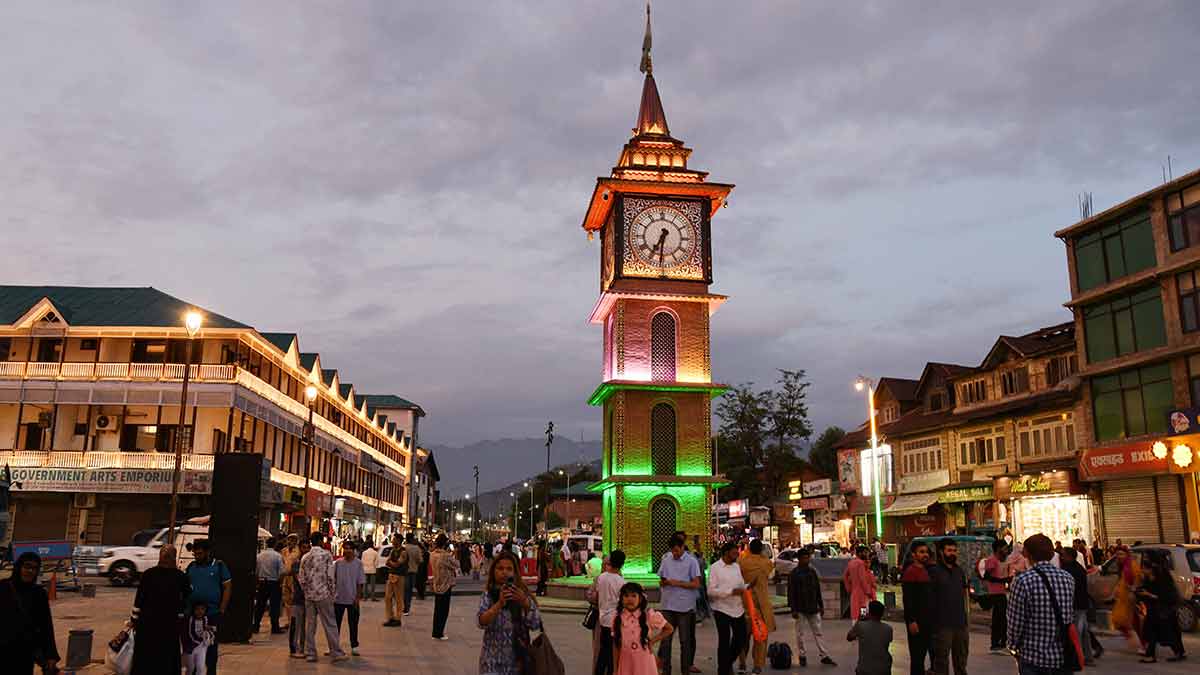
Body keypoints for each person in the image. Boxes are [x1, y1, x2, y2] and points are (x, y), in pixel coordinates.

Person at [1006, 534, 1076, 674]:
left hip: (1033, 658)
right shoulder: (1068, 579)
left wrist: (1012, 646)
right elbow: (1068, 616)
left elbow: (1015, 622)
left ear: (1027, 554)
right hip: (1061, 658)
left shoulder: (1023, 581)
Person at [477, 551, 543, 675]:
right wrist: (499, 604)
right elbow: (481, 622)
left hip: (517, 663)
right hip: (491, 662)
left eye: (509, 569)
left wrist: (525, 602)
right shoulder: (488, 594)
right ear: (493, 571)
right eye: (500, 568)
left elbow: (535, 624)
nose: (504, 572)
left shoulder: (522, 594)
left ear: (515, 572)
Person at [131, 544, 191, 675]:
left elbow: (139, 600)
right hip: (169, 625)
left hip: (147, 624)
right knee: (167, 658)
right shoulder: (180, 577)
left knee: (145, 657)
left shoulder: (148, 575)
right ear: (174, 558)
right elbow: (187, 600)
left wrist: (134, 620)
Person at [1, 551, 60, 675]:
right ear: (18, 567)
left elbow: (46, 626)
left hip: (24, 655)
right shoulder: (3, 588)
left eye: (34, 568)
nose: (30, 571)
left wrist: (50, 655)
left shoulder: (39, 594)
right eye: (27, 566)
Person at [185, 539, 231, 675]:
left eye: (199, 554)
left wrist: (222, 608)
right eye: (195, 554)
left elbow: (227, 587)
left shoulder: (219, 566)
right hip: (193, 615)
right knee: (193, 646)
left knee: (211, 647)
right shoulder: (191, 567)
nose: (196, 556)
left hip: (212, 614)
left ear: (207, 552)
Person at [299, 532, 347, 662]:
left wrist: (307, 591)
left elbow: (301, 578)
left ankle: (311, 653)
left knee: (310, 625)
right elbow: (330, 576)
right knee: (330, 624)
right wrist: (332, 592)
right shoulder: (326, 555)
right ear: (320, 541)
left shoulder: (305, 557)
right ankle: (336, 652)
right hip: (323, 594)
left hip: (309, 595)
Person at [658, 535, 702, 675]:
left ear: (683, 547)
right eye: (673, 551)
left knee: (685, 641)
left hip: (685, 606)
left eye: (677, 550)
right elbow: (661, 580)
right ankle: (666, 670)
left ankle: (685, 670)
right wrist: (664, 582)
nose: (675, 554)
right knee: (666, 641)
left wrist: (676, 583)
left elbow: (696, 584)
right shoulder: (666, 560)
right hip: (668, 604)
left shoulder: (691, 562)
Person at [788, 546, 835, 667]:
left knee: (818, 632)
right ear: (799, 559)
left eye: (807, 557)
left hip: (813, 607)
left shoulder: (812, 572)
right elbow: (791, 592)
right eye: (804, 558)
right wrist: (793, 609)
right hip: (800, 608)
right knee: (800, 633)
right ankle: (802, 655)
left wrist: (821, 605)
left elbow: (817, 590)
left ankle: (824, 655)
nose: (806, 560)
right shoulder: (794, 574)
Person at [614, 582, 674, 675]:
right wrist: (615, 669)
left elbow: (669, 629)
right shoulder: (617, 618)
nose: (630, 599)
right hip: (625, 663)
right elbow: (616, 646)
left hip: (645, 663)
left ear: (640, 599)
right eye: (626, 596)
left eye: (634, 596)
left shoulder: (649, 615)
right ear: (621, 599)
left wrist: (653, 641)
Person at [928, 538, 968, 675]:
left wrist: (966, 618)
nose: (953, 553)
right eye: (949, 550)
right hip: (942, 625)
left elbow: (964, 595)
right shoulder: (934, 572)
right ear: (941, 552)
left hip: (960, 624)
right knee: (941, 662)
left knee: (961, 661)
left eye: (955, 550)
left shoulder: (959, 572)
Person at [1137, 554, 1186, 663]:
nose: (1143, 569)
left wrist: (1149, 594)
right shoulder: (1148, 577)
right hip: (1154, 609)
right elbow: (1145, 589)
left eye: (1145, 566)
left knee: (1169, 633)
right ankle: (1151, 655)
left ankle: (1178, 652)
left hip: (1164, 609)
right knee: (1152, 632)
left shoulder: (1163, 576)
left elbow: (1166, 596)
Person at [708, 542, 747, 675]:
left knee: (741, 638)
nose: (736, 555)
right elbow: (711, 591)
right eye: (734, 553)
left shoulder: (736, 567)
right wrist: (730, 591)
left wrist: (746, 588)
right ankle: (723, 670)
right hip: (721, 609)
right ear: (726, 553)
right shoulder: (715, 568)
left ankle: (727, 663)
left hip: (738, 608)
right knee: (724, 640)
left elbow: (741, 584)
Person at [738, 539, 776, 673]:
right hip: (761, 606)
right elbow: (771, 566)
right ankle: (758, 665)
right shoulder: (765, 562)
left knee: (743, 637)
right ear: (761, 550)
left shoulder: (742, 562)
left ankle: (742, 663)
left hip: (745, 604)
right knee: (761, 637)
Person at [901, 542, 935, 675]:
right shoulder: (910, 572)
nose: (925, 555)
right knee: (917, 657)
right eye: (921, 552)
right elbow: (908, 599)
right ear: (914, 555)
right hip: (917, 621)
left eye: (926, 552)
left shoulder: (928, 570)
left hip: (929, 620)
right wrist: (911, 620)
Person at [1058, 547, 1097, 665]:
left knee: (1077, 633)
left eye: (1063, 555)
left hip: (1075, 605)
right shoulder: (1078, 568)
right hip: (1081, 604)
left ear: (1069, 557)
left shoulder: (1070, 570)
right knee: (1084, 632)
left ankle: (1078, 657)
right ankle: (1087, 657)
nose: (1061, 557)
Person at [593, 549, 628, 675]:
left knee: (603, 651)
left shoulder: (601, 578)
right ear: (622, 564)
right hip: (615, 620)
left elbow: (597, 597)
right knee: (613, 653)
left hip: (603, 618)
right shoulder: (622, 582)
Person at [333, 543, 366, 656]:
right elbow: (333, 579)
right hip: (338, 598)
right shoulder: (337, 563)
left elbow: (360, 582)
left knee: (353, 623)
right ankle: (334, 645)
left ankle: (354, 645)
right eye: (345, 548)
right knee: (335, 624)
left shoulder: (358, 564)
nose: (346, 551)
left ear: (353, 550)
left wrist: (357, 597)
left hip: (352, 599)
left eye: (349, 548)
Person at [1109, 546, 1142, 650]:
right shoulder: (1123, 566)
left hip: (1130, 598)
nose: (1119, 556)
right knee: (1120, 620)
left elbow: (1137, 580)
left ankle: (1142, 644)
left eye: (1121, 554)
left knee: (1133, 621)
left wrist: (1132, 592)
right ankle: (1137, 642)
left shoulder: (1131, 566)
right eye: (1117, 554)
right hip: (1123, 598)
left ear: (1127, 555)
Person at [847, 600, 892, 675]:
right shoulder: (888, 628)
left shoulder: (861, 626)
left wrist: (859, 621)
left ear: (869, 613)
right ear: (882, 614)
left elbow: (849, 637)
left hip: (864, 670)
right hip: (884, 670)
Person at [982, 539, 1011, 654]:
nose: (1006, 550)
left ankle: (1001, 643)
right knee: (999, 619)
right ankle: (996, 644)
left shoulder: (1001, 560)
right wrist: (1003, 580)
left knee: (1002, 618)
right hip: (995, 593)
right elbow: (987, 576)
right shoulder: (992, 560)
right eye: (1004, 548)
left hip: (1001, 592)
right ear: (998, 548)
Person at [253, 536, 285, 634]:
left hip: (262, 582)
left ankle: (256, 626)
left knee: (260, 605)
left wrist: (258, 582)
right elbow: (281, 572)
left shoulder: (259, 555)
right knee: (274, 606)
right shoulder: (277, 556)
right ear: (275, 544)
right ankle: (275, 627)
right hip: (274, 583)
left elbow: (256, 571)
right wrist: (280, 582)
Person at [431, 533, 459, 640]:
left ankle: (435, 631)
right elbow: (456, 564)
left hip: (436, 583)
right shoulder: (445, 556)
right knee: (443, 610)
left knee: (437, 609)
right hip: (445, 584)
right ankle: (439, 633)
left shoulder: (432, 554)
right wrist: (455, 554)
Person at [288, 539, 312, 659]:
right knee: (296, 624)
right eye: (304, 547)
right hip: (298, 599)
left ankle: (303, 648)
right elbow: (300, 580)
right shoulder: (296, 564)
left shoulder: (312, 564)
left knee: (306, 626)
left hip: (309, 599)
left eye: (308, 547)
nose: (306, 550)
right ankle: (294, 649)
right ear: (300, 549)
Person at [842, 545, 877, 622]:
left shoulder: (851, 563)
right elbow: (862, 579)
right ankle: (862, 630)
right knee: (863, 614)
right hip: (863, 594)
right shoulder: (860, 563)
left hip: (854, 593)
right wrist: (868, 592)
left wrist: (849, 589)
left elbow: (845, 576)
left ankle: (856, 630)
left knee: (855, 615)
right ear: (860, 553)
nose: (867, 554)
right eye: (865, 553)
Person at [181, 600, 216, 675]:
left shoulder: (205, 619)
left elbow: (207, 628)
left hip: (201, 647)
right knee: (191, 668)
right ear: (193, 610)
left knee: (200, 667)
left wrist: (210, 631)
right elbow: (191, 634)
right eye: (197, 609)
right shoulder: (190, 620)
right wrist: (201, 638)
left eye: (202, 609)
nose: (200, 611)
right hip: (191, 647)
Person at [383, 534, 407, 627]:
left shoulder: (403, 552)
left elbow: (397, 564)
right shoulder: (393, 551)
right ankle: (390, 617)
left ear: (399, 541)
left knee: (398, 598)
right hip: (391, 575)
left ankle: (398, 618)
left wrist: (391, 563)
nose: (392, 541)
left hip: (399, 576)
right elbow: (388, 562)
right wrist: (392, 563)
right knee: (387, 597)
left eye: (394, 539)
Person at [281, 533, 302, 625]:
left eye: (293, 539)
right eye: (289, 539)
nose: (290, 541)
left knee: (294, 599)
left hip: (294, 577)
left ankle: (295, 620)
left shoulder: (299, 551)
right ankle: (289, 621)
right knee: (286, 599)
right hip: (285, 577)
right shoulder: (284, 551)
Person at [404, 534, 423, 613]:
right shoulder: (416, 548)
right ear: (412, 539)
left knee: (404, 589)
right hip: (413, 571)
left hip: (404, 571)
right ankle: (407, 606)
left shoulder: (403, 547)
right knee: (409, 590)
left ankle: (403, 605)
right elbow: (420, 560)